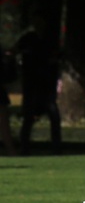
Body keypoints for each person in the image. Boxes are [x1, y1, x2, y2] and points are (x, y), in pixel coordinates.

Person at [17, 15, 62, 155]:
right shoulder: (28, 39)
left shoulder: (49, 40)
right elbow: (15, 51)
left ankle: (56, 148)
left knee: (53, 115)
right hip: (32, 84)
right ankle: (24, 148)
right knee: (29, 117)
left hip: (46, 84)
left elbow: (57, 57)